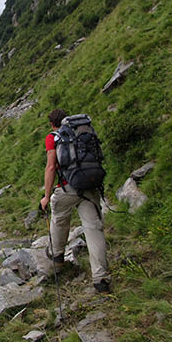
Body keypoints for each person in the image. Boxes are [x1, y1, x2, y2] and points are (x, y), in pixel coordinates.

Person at [40, 109, 111, 293]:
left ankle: (57, 256)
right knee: (93, 229)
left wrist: (46, 196)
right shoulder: (82, 132)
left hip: (67, 188)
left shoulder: (53, 137)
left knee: (59, 219)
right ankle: (100, 278)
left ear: (52, 124)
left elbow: (51, 167)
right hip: (90, 186)